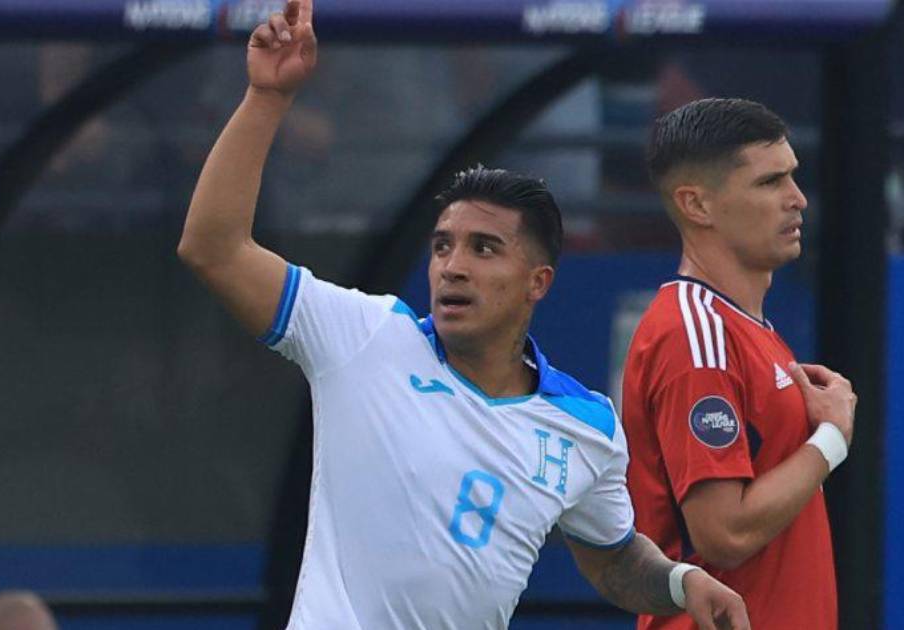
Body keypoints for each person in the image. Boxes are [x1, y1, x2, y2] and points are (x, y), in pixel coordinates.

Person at [176, 1, 748, 628]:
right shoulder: (366, 337)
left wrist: (682, 581)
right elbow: (214, 248)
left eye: (484, 249)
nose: (453, 267)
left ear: (538, 282)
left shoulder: (586, 426)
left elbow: (613, 560)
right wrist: (267, 97)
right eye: (443, 246)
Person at [621, 98, 859, 630]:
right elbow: (724, 533)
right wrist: (832, 440)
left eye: (793, 176)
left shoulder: (749, 329)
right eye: (770, 182)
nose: (797, 199)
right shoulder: (694, 336)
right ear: (696, 205)